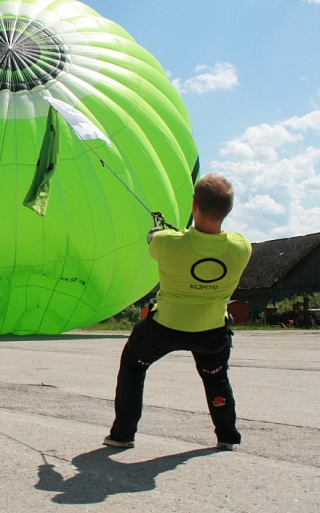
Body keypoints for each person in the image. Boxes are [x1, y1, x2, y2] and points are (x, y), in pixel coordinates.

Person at [104, 173, 252, 451]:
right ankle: (227, 436)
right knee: (216, 377)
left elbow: (154, 239)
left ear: (194, 206)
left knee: (132, 368)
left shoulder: (167, 242)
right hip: (211, 331)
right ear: (228, 209)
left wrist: (158, 231)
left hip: (165, 328)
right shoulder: (242, 247)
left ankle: (123, 434)